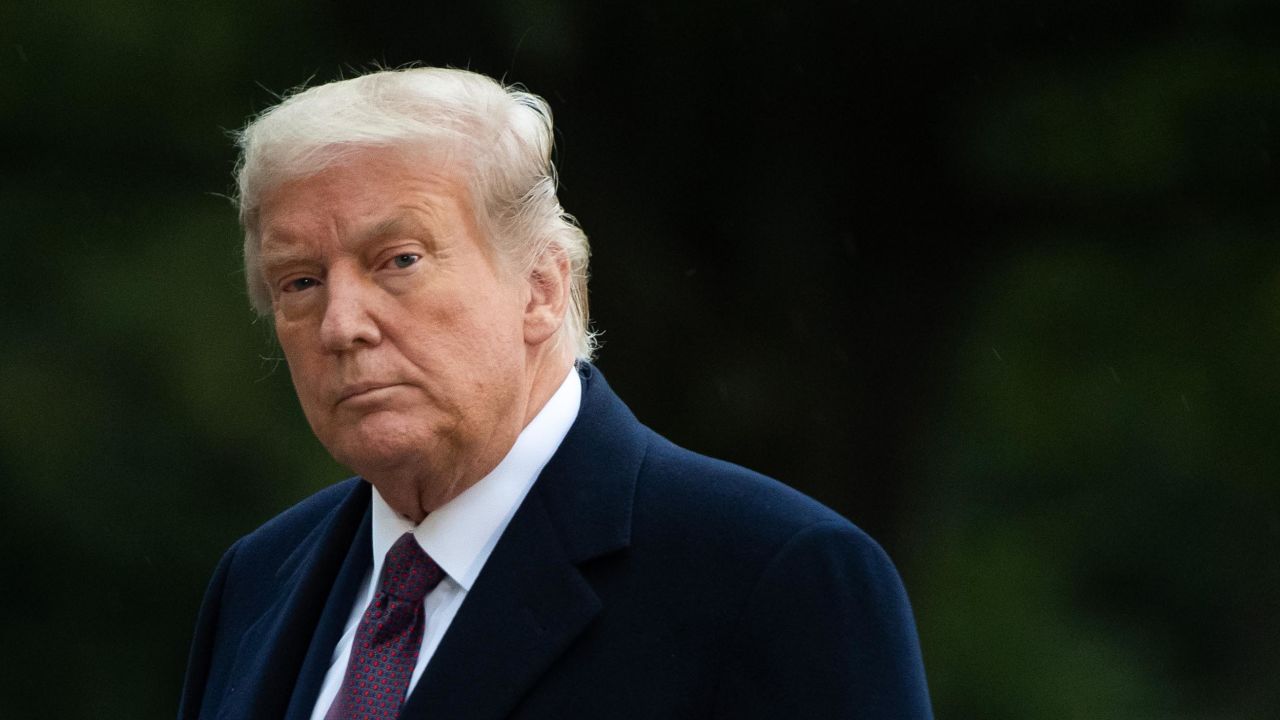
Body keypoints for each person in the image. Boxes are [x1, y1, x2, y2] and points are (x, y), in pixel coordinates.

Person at [178, 66, 933, 720]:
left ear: (540, 288)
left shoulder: (775, 577)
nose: (342, 325)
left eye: (398, 260)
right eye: (300, 282)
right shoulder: (258, 582)